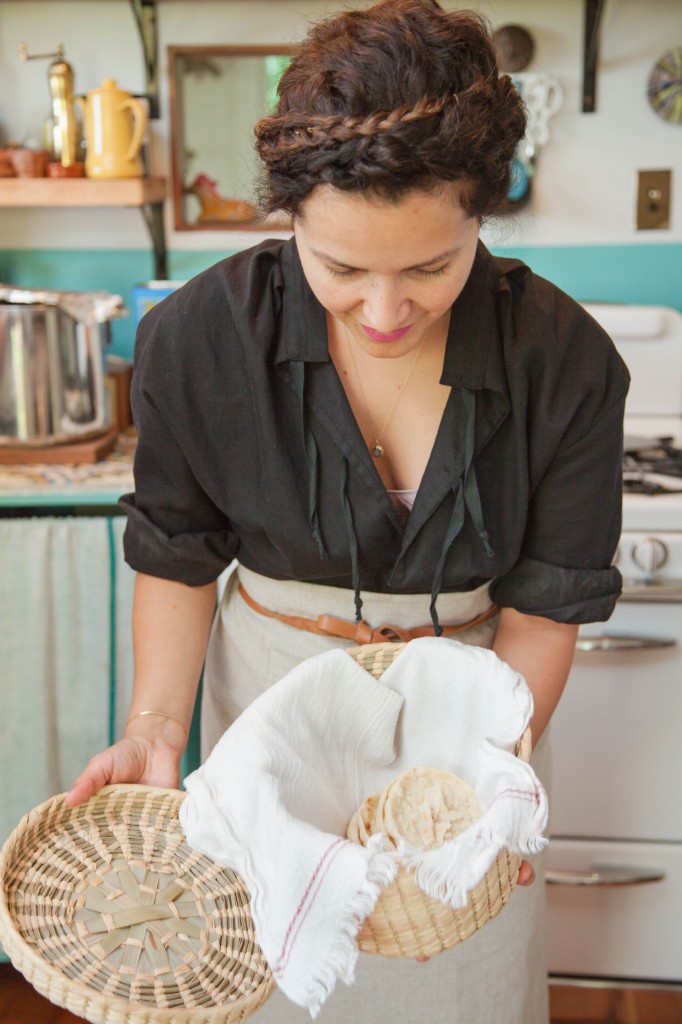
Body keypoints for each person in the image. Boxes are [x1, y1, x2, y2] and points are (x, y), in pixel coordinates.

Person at [67, 1, 629, 1020]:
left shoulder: (565, 359)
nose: (382, 313)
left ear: (481, 215)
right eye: (338, 269)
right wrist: (155, 726)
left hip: (477, 714)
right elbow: (180, 556)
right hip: (274, 710)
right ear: (289, 217)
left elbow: (544, 610)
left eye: (428, 268)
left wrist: (482, 794)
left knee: (464, 983)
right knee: (289, 981)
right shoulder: (199, 338)